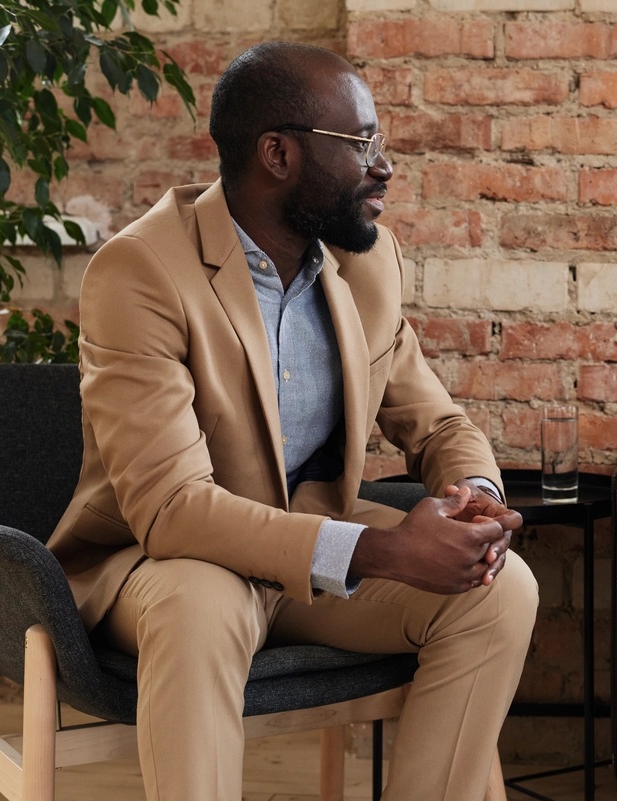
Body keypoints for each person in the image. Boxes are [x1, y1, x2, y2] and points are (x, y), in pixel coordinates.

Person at [46, 41, 538, 801]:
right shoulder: (141, 270)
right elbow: (172, 511)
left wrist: (473, 493)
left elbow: (436, 422)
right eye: (361, 142)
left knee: (498, 588)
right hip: (168, 560)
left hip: (314, 556)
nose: (385, 165)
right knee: (198, 604)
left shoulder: (366, 265)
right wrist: (384, 550)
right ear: (277, 154)